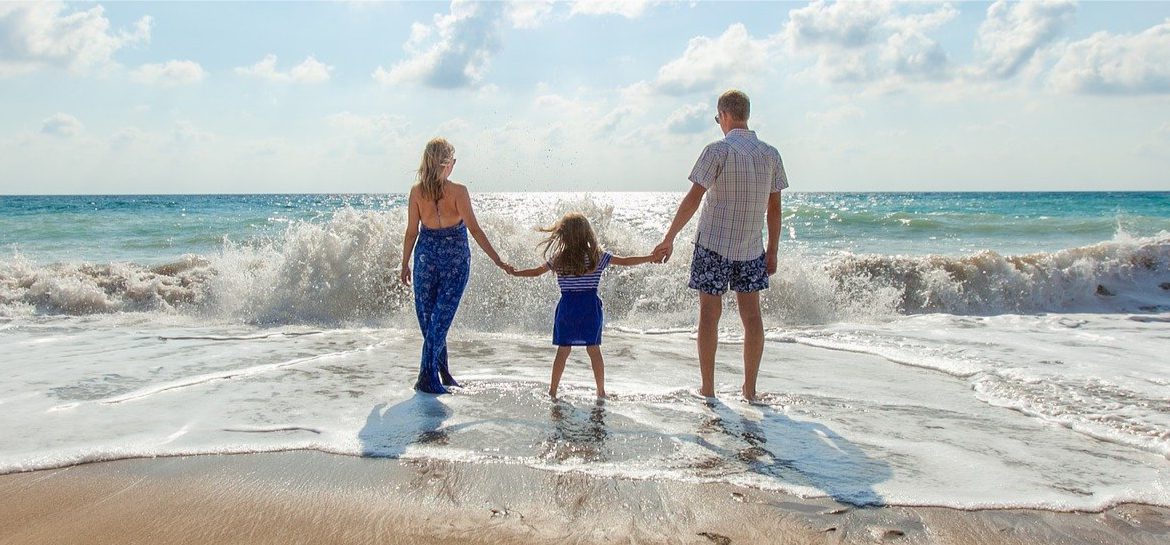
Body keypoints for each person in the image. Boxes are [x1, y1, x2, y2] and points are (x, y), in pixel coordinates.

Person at [652, 89, 788, 402]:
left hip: (713, 245)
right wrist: (774, 250)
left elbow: (693, 199)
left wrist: (669, 237)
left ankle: (708, 389)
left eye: (718, 118)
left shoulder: (717, 151)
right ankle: (749, 390)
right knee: (752, 318)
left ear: (724, 115)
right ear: (746, 114)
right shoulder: (771, 154)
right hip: (752, 248)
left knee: (709, 316)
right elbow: (775, 209)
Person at [400, 137, 513, 394]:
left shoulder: (418, 192)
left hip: (426, 259)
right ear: (448, 163)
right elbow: (474, 228)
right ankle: (429, 377)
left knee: (434, 321)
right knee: (436, 322)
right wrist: (497, 259)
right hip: (454, 260)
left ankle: (438, 374)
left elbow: (411, 233)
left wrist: (405, 263)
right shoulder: (458, 191)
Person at [510, 212, 662, 399]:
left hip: (567, 308)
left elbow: (535, 272)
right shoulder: (597, 256)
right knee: (594, 349)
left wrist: (515, 273)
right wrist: (650, 257)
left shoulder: (559, 258)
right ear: (587, 234)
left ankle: (553, 391)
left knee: (563, 350)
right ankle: (601, 391)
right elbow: (625, 261)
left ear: (563, 235)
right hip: (590, 308)